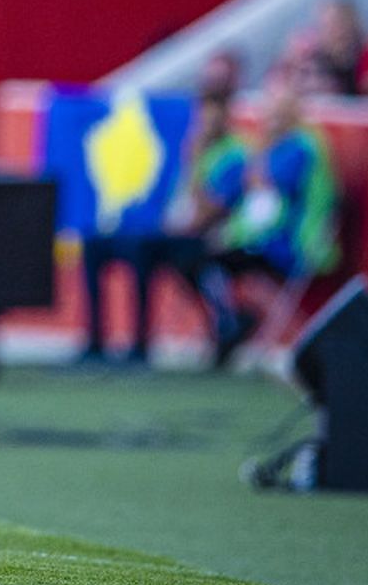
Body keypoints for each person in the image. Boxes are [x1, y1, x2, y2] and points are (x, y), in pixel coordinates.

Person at [78, 66, 246, 365]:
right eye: (202, 113)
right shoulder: (188, 152)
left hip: (204, 241)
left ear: (224, 116)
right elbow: (171, 206)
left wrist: (194, 165)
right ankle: (95, 341)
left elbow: (207, 215)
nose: (205, 121)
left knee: (141, 250)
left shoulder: (233, 156)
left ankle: (140, 344)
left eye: (213, 113)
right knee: (94, 245)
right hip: (171, 233)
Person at [197, 70, 340, 364]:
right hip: (259, 240)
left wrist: (256, 161)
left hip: (288, 244)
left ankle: (236, 325)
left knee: (210, 261)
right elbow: (232, 190)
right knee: (199, 258)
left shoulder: (302, 146)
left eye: (277, 111)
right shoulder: (266, 147)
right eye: (268, 111)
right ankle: (233, 322)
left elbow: (266, 184)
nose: (269, 119)